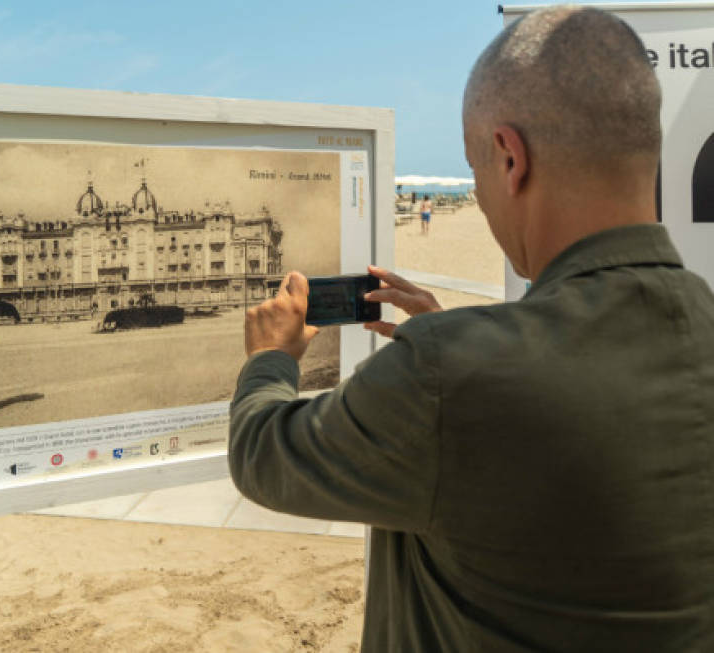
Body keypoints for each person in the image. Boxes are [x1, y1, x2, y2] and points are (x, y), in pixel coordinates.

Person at [229, 6, 714, 652]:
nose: (479, 196)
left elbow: (263, 454)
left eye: (474, 169)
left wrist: (269, 357)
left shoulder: (448, 373)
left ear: (510, 157)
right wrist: (457, 340)